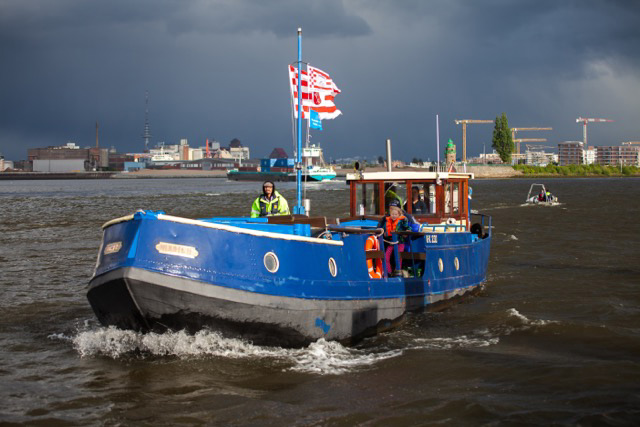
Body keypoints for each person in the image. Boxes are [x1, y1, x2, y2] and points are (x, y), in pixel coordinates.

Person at [377, 200, 411, 275]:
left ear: (399, 211)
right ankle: (388, 272)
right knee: (386, 256)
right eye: (391, 209)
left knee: (398, 257)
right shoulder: (385, 219)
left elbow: (408, 228)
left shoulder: (404, 219)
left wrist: (406, 232)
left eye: (394, 208)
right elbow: (380, 227)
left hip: (400, 242)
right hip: (389, 242)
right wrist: (383, 231)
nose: (393, 213)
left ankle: (398, 271)